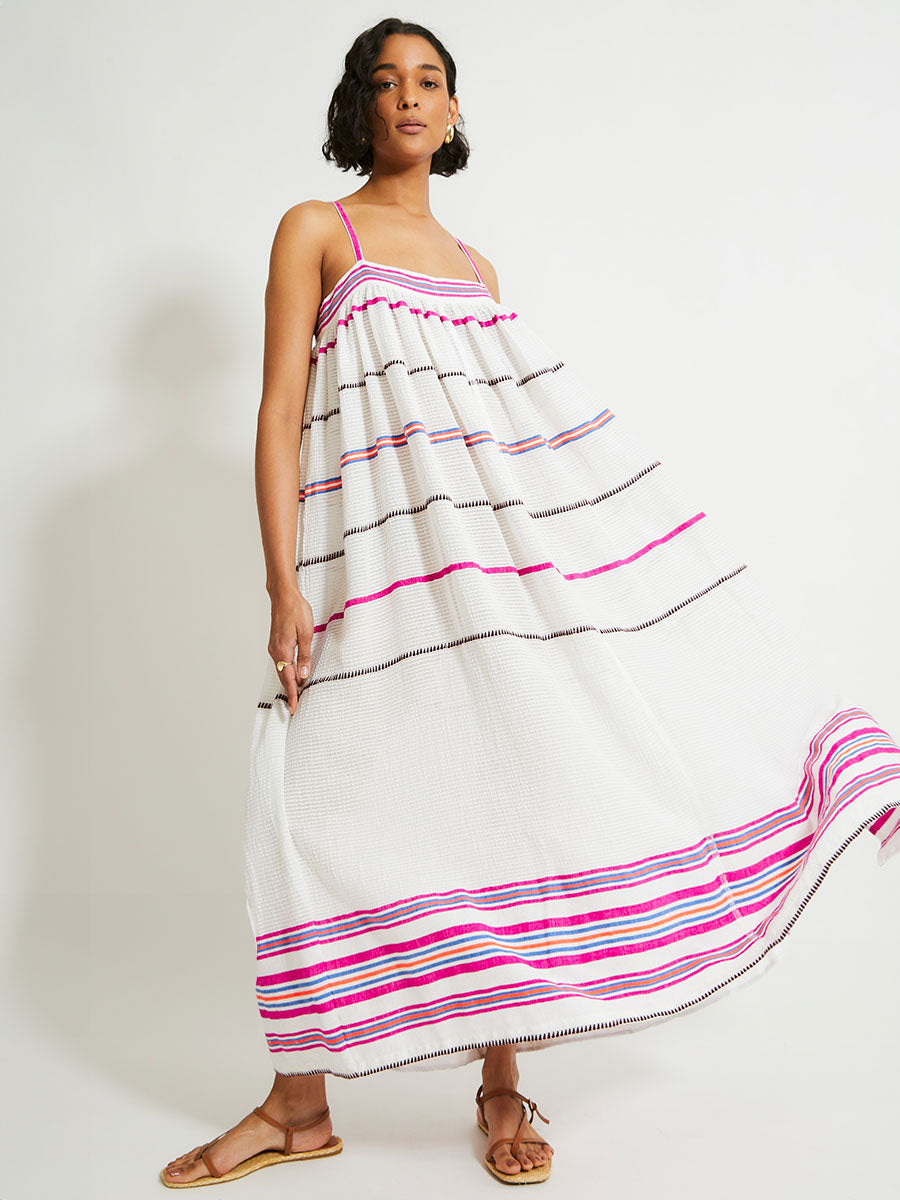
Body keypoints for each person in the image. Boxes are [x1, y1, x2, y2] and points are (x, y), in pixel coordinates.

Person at [161, 15, 900, 1190]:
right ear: (360, 105)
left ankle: (501, 1089)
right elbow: (278, 411)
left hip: (488, 577)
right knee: (300, 808)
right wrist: (282, 584)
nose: (410, 97)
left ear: (455, 113)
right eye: (388, 81)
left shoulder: (475, 272)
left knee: (502, 800)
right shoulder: (319, 231)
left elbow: (513, 429)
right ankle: (297, 1106)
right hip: (368, 576)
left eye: (432, 81)